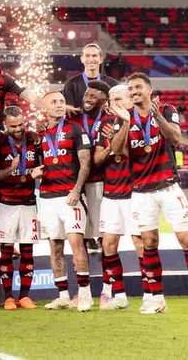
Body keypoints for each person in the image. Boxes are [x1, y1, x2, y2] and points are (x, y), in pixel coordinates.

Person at [109, 73, 188, 316]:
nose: (134, 91)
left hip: (168, 187)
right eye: (131, 88)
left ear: (149, 90)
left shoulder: (167, 110)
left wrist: (156, 114)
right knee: (148, 243)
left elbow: (175, 138)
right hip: (141, 191)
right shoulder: (123, 119)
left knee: (187, 240)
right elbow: (117, 152)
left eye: (138, 87)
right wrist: (127, 122)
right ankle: (157, 299)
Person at [37, 91, 93, 312]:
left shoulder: (76, 129)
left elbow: (85, 163)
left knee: (76, 243)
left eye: (62, 101)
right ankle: (62, 295)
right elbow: (37, 163)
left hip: (70, 197)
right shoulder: (40, 135)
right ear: (45, 108)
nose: (59, 105)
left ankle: (85, 294)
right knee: (55, 246)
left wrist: (77, 191)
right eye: (54, 102)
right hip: (48, 197)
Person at [93, 84, 144, 310]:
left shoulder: (140, 121)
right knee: (109, 244)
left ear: (130, 100)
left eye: (119, 98)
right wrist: (111, 147)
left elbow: (125, 150)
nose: (115, 102)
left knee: (140, 244)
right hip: (111, 193)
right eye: (112, 99)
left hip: (135, 192)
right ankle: (120, 294)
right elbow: (98, 159)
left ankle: (152, 293)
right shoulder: (104, 124)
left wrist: (121, 132)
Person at [0, 106, 43, 310]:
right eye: (13, 126)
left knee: (27, 249)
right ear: (5, 125)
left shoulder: (34, 140)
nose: (18, 128)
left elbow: (44, 164)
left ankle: (24, 296)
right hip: (6, 203)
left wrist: (37, 173)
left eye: (21, 124)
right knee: (6, 249)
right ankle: (8, 297)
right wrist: (11, 169)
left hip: (29, 202)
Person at [78, 80, 110, 250]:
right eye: (86, 94)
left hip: (99, 179)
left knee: (100, 226)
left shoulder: (109, 119)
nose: (87, 99)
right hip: (76, 180)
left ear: (104, 101)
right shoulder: (74, 117)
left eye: (93, 96)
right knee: (79, 228)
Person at [62, 43, 118, 115]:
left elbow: (116, 109)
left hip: (104, 125)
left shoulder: (112, 84)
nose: (91, 59)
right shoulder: (71, 84)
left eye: (94, 56)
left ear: (101, 59)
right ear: (82, 59)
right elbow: (69, 110)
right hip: (79, 125)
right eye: (87, 56)